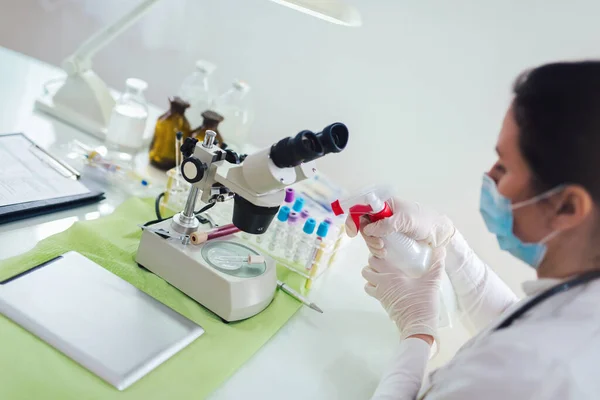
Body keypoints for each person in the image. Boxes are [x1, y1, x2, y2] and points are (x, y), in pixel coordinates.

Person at [347, 61, 600, 399]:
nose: (490, 176)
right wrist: (448, 241)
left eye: (505, 166)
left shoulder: (524, 373)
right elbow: (517, 318)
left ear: (567, 207)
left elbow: (516, 354)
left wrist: (417, 333)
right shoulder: (581, 301)